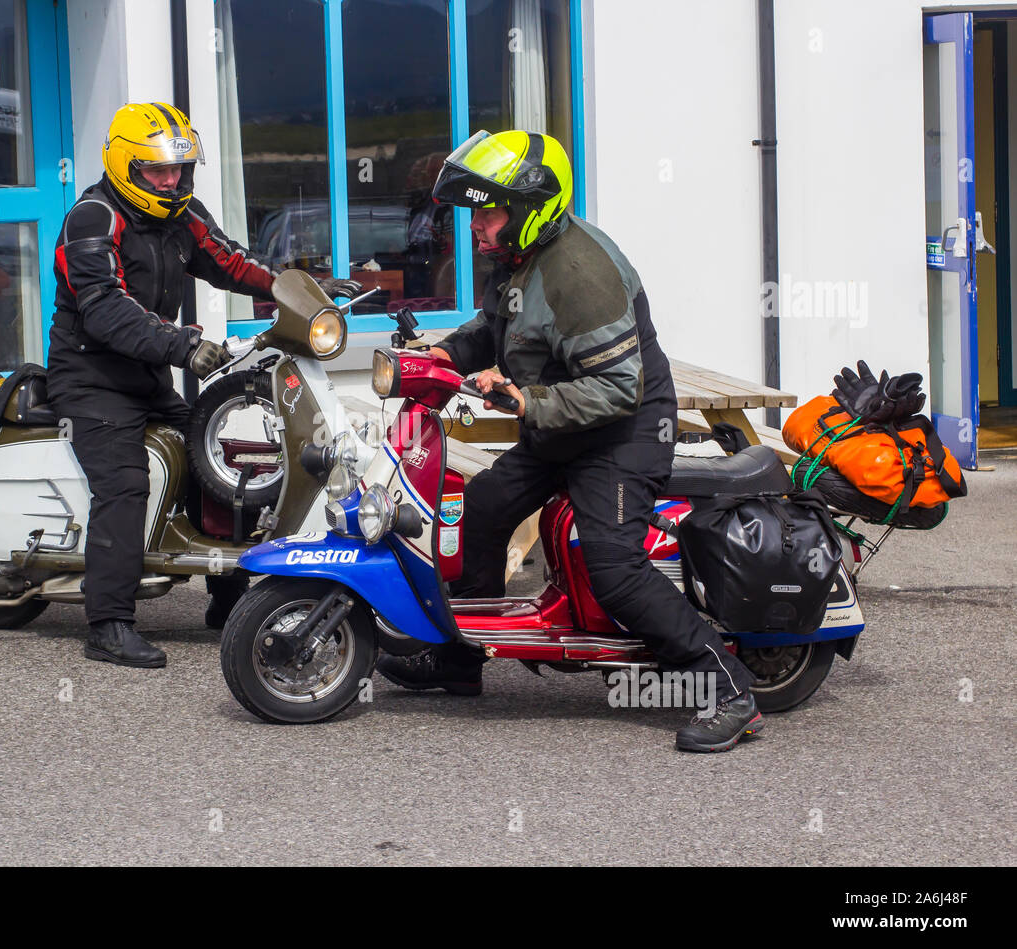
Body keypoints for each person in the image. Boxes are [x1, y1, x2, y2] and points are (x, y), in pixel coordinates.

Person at [373, 129, 762, 752]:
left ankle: (729, 689)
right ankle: (459, 662)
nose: (477, 227)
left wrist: (528, 401)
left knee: (615, 567)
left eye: (489, 212)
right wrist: (446, 351)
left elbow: (619, 388)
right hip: (562, 421)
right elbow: (495, 326)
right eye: (475, 212)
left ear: (530, 209)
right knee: (484, 506)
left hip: (622, 432)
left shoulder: (582, 273)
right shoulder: (520, 259)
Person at [47, 102, 358, 668]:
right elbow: (104, 310)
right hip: (89, 380)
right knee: (124, 484)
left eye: (179, 170)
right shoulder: (92, 218)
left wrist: (301, 289)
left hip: (144, 373)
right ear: (124, 166)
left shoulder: (180, 214)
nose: (171, 181)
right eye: (157, 171)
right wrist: (183, 346)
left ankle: (229, 597)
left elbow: (230, 261)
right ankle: (108, 623)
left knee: (212, 456)